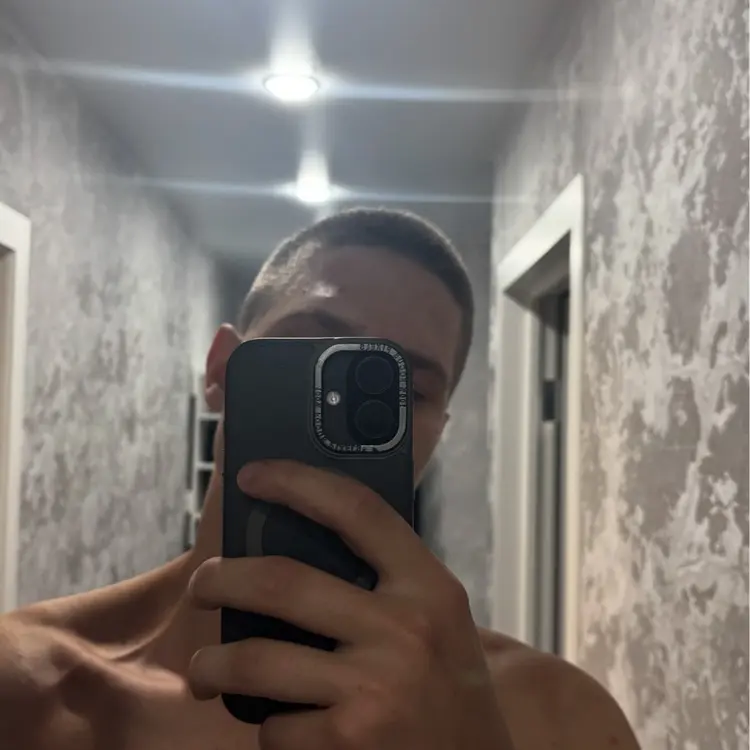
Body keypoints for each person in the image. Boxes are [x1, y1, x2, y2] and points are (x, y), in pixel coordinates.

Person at [0, 209, 640, 750]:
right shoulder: (24, 682)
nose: (352, 412)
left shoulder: (558, 716)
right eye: (308, 349)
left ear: (435, 433)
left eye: (407, 390)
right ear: (222, 372)